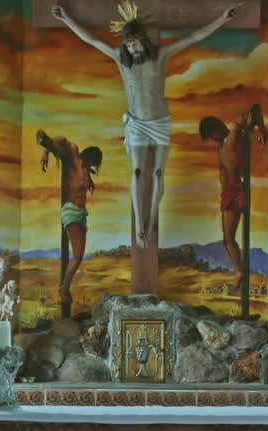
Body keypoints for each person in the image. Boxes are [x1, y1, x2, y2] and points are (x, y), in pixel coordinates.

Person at [52, 1, 240, 247]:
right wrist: (66, 19)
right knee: (138, 172)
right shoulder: (122, 59)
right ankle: (140, 224)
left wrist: (222, 19)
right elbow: (93, 41)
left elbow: (193, 37)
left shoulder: (160, 56)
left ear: (143, 40)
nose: (133, 48)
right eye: (129, 45)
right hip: (138, 123)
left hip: (160, 122)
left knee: (158, 172)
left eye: (136, 43)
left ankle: (151, 219)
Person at [199, 104, 267, 291]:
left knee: (229, 239)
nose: (213, 139)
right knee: (226, 239)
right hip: (228, 193)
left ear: (215, 128)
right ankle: (239, 271)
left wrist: (263, 130)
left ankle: (240, 272)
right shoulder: (222, 143)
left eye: (211, 135)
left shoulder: (234, 133)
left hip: (235, 193)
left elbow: (254, 109)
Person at [37, 129, 103, 308]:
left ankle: (64, 288)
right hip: (72, 211)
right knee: (78, 255)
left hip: (81, 215)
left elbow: (83, 176)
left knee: (79, 254)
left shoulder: (84, 169)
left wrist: (90, 180)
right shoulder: (73, 155)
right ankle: (64, 289)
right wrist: (46, 151)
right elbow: (62, 140)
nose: (92, 166)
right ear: (89, 156)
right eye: (93, 163)